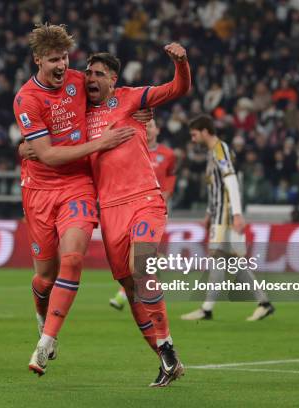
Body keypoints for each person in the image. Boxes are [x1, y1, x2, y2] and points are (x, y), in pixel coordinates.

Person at [13, 23, 139, 377]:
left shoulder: (77, 81)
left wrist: (140, 111)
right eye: (53, 59)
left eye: (65, 58)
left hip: (78, 186)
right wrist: (98, 144)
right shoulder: (27, 99)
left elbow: (112, 95)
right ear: (38, 60)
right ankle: (41, 314)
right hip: (39, 191)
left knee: (72, 259)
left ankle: (46, 342)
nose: (60, 65)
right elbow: (47, 156)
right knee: (45, 278)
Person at [82, 46, 190, 386]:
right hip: (109, 210)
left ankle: (167, 346)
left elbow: (178, 89)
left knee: (142, 268)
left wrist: (181, 63)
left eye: (99, 74)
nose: (91, 79)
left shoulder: (131, 99)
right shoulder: (79, 113)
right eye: (88, 73)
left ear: (114, 79)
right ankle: (166, 358)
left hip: (144, 198)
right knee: (130, 289)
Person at [180, 114, 275, 321]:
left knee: (225, 260)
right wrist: (207, 213)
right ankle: (257, 303)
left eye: (194, 134)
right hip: (218, 215)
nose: (193, 139)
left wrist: (237, 214)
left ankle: (213, 308)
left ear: (205, 131)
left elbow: (230, 179)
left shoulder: (220, 149)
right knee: (225, 261)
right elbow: (215, 188)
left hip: (226, 215)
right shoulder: (212, 153)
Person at [109, 118, 176, 310]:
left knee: (142, 255)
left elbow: (170, 179)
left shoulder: (168, 155)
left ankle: (125, 295)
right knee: (142, 256)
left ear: (158, 129)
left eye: (151, 125)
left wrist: (164, 200)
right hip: (131, 208)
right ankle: (148, 290)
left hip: (153, 210)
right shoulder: (130, 150)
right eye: (144, 125)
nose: (147, 128)